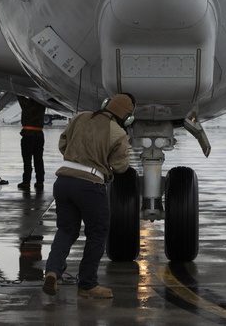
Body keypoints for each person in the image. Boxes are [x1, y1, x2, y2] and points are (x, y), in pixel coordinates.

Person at [42, 93, 135, 300]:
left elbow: (63, 143)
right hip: (90, 186)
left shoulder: (80, 117)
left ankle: (52, 272)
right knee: (97, 233)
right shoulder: (118, 132)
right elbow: (121, 167)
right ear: (128, 117)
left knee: (66, 230)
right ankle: (87, 284)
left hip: (63, 181)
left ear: (106, 105)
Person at [17, 96, 46, 191]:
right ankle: (40, 182)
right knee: (38, 160)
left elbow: (19, 96)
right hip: (39, 135)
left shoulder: (27, 104)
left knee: (27, 160)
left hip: (28, 135)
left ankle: (26, 182)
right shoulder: (42, 104)